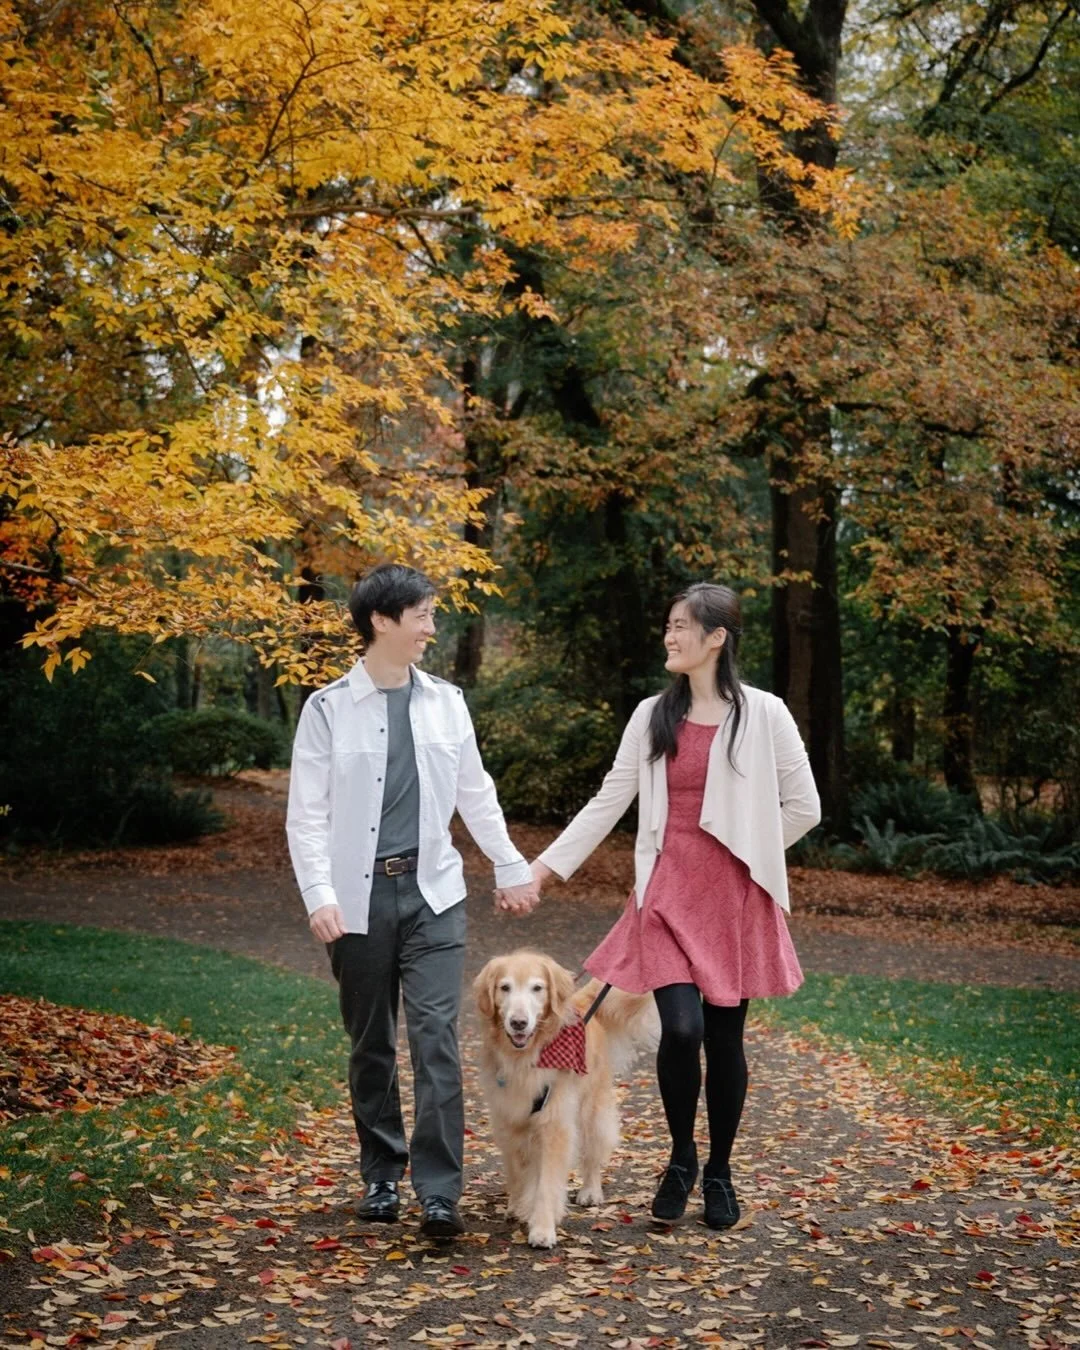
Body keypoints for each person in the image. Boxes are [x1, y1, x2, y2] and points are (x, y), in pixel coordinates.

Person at [529, 582, 819, 1230]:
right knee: (681, 1029)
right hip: (662, 893)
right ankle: (681, 1158)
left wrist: (752, 851)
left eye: (683, 626)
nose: (670, 635)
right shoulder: (651, 715)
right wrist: (546, 867)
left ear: (717, 637)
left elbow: (805, 807)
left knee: (724, 1037)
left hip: (733, 899)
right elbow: (610, 799)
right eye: (668, 624)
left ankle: (719, 1171)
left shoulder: (765, 715)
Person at [286, 562, 538, 1239]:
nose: (432, 627)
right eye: (422, 615)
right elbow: (305, 815)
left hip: (434, 894)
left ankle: (438, 1191)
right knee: (371, 1043)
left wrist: (510, 867)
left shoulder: (446, 702)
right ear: (382, 621)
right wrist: (319, 894)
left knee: (436, 1042)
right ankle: (380, 1173)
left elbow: (474, 793)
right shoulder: (327, 709)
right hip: (357, 901)